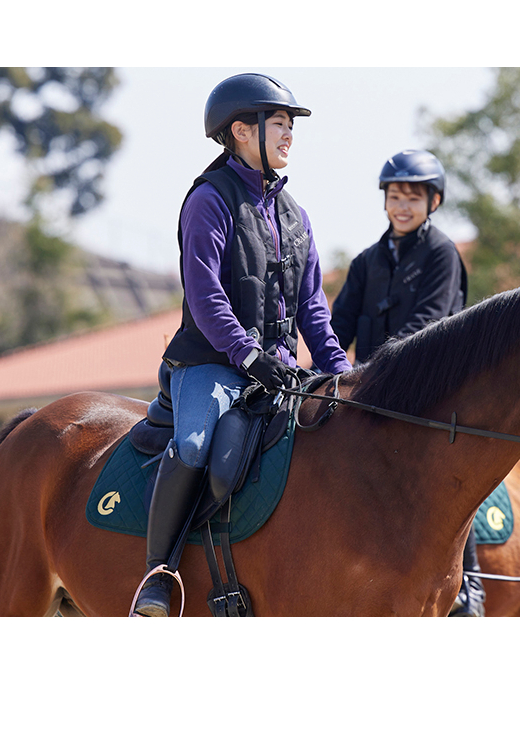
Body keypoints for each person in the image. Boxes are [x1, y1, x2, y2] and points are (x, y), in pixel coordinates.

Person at [132, 73, 353, 617]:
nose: (288, 136)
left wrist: (342, 373)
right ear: (242, 131)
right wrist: (246, 353)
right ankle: (157, 577)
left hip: (278, 372)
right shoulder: (209, 200)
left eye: (289, 126)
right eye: (279, 123)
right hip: (212, 364)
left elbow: (312, 308)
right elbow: (204, 293)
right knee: (194, 443)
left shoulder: (295, 216)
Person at [329, 150, 483, 616]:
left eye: (412, 197)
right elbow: (337, 327)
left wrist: (373, 372)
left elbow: (429, 323)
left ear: (433, 202)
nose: (402, 206)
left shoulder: (442, 254)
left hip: (433, 393)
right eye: (395, 196)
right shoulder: (364, 262)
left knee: (454, 473)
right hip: (366, 392)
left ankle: (469, 587)